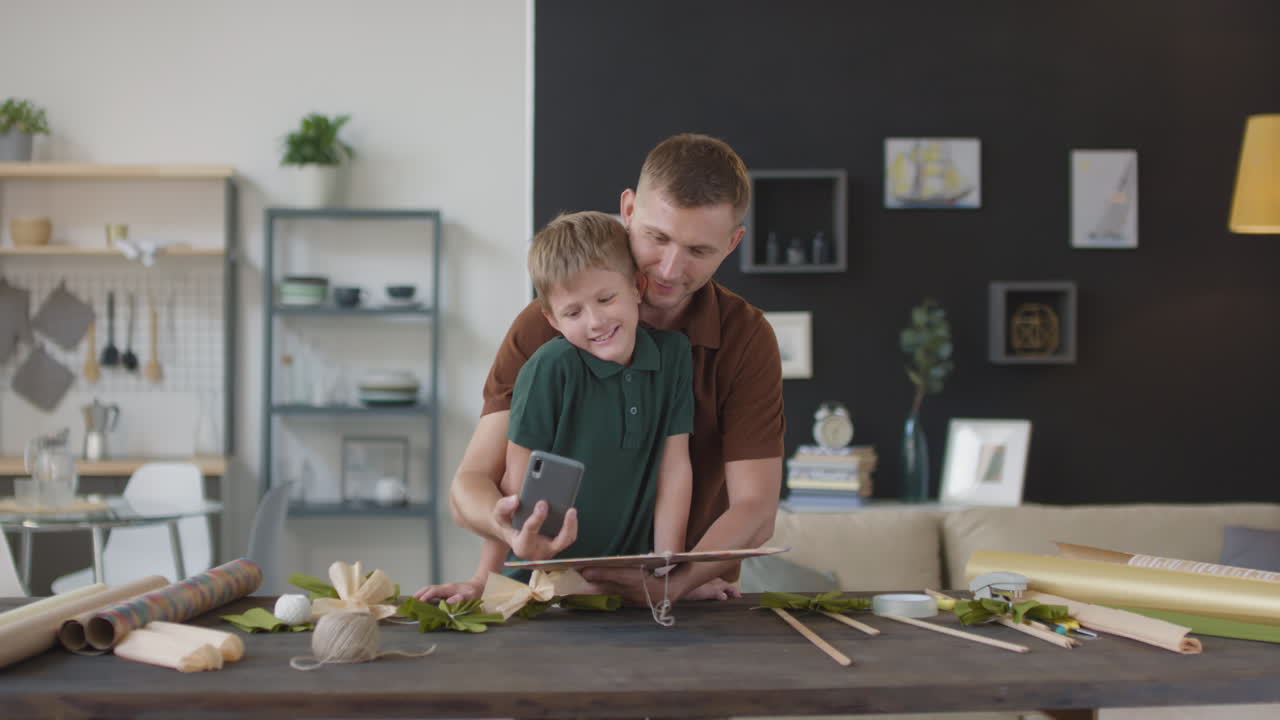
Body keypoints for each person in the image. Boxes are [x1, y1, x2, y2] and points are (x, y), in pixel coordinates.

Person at [423, 133, 784, 606]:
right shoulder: (544, 327)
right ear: (629, 209)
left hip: (689, 603)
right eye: (658, 237)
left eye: (699, 251)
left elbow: (756, 509)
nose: (671, 269)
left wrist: (675, 580)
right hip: (552, 594)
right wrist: (509, 542)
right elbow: (471, 485)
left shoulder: (746, 338)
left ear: (733, 242)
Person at [413, 211, 696, 601]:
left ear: (637, 286)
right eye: (573, 312)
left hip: (619, 586)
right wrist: (484, 581)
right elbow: (516, 484)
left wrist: (667, 570)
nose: (595, 321)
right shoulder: (549, 369)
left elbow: (675, 466)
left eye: (605, 298)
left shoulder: (675, 357)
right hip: (535, 585)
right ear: (552, 319)